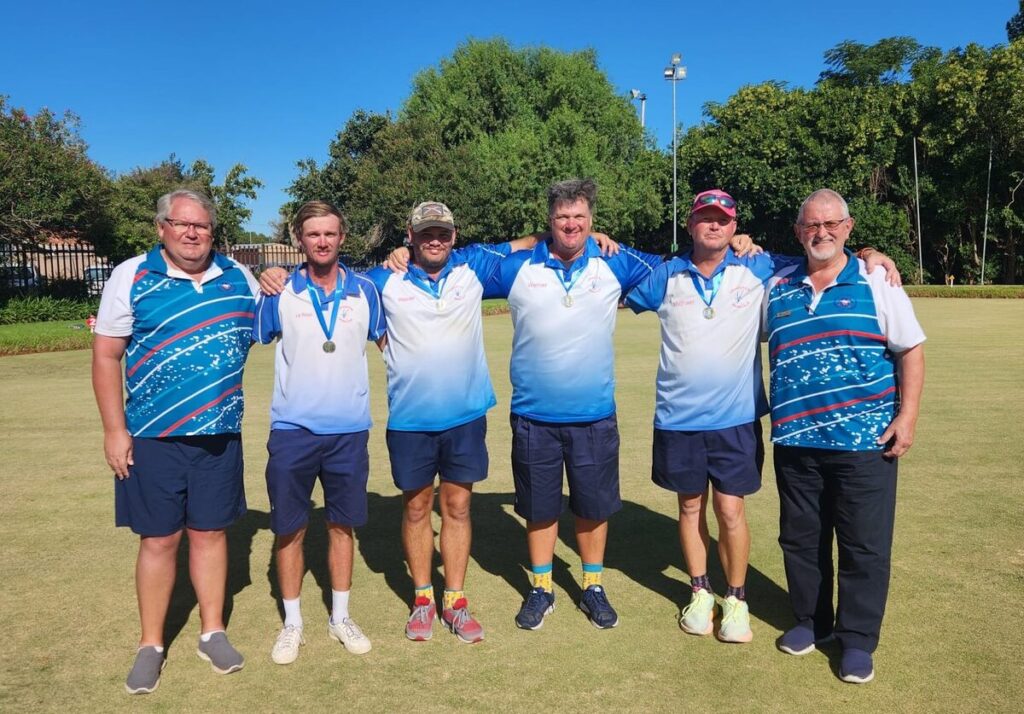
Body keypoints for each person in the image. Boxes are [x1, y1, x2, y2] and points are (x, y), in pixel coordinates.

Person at [258, 202, 592, 643]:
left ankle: (454, 600)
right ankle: (422, 600)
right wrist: (275, 274)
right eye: (426, 233)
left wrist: (597, 241)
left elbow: (535, 242)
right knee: (416, 509)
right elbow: (334, 282)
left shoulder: (473, 267)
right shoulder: (381, 281)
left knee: (457, 508)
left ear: (454, 236)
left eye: (444, 232)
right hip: (410, 420)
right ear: (410, 238)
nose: (436, 239)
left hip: (466, 416)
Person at [625, 189, 899, 644]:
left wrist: (871, 253)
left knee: (730, 510)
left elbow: (825, 253)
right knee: (689, 507)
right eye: (705, 218)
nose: (714, 226)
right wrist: (594, 235)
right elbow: (614, 276)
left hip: (735, 419)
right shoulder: (666, 275)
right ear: (691, 225)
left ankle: (735, 599)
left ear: (735, 227)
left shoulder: (761, 267)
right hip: (677, 418)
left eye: (723, 220)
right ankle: (700, 590)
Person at [485, 179, 756, 631]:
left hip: (594, 415)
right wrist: (528, 240)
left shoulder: (616, 260)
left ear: (592, 221)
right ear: (549, 221)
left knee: (593, 507)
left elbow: (676, 265)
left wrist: (744, 242)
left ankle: (592, 586)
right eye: (561, 218)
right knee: (539, 508)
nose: (571, 225)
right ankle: (542, 588)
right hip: (533, 414)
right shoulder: (519, 266)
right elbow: (466, 260)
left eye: (580, 218)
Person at [92, 189, 259, 694]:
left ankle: (212, 632)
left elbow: (280, 316)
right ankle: (151, 644)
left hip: (219, 435)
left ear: (213, 230)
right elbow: (106, 356)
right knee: (159, 539)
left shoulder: (239, 277)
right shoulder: (132, 275)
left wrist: (276, 277)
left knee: (210, 533)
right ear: (161, 226)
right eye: (181, 224)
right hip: (151, 438)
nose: (192, 233)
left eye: (202, 226)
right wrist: (114, 430)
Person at [765, 188, 925, 684]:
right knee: (801, 539)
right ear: (798, 232)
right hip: (795, 441)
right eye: (812, 225)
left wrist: (908, 416)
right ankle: (811, 622)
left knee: (864, 544)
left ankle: (857, 640)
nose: (822, 233)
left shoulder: (878, 280)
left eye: (832, 224)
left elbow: (911, 350)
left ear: (849, 228)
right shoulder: (777, 285)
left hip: (865, 443)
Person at [253, 201, 385, 665]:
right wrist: (269, 273)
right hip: (292, 431)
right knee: (288, 529)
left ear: (342, 237)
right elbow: (257, 334)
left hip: (349, 431)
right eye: (313, 234)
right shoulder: (280, 292)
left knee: (340, 525)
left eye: (330, 233)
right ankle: (292, 624)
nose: (322, 241)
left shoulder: (365, 290)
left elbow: (388, 341)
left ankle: (340, 617)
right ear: (299, 239)